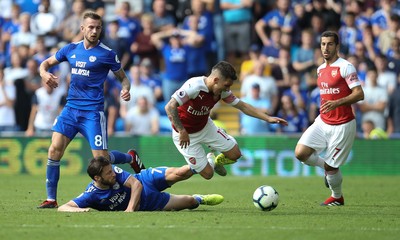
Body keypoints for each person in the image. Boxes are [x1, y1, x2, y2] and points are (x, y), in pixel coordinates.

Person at [37, 11, 144, 209]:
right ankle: (51, 199)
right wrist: (44, 74)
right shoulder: (70, 49)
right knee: (54, 150)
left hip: (92, 113)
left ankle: (130, 158)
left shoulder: (108, 54)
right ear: (83, 28)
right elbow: (45, 63)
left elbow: (124, 78)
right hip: (70, 109)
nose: (94, 31)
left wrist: (126, 90)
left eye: (98, 28)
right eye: (91, 27)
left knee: (100, 161)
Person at [164, 61, 288, 180]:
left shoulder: (221, 91)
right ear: (216, 80)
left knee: (235, 154)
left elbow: (242, 106)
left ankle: (217, 162)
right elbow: (170, 106)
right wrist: (182, 130)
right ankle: (209, 161)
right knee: (208, 174)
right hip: (185, 135)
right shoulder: (194, 87)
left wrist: (267, 118)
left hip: (205, 127)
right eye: (226, 85)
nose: (227, 89)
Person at [294, 31, 364, 206]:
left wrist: (338, 102)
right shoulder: (320, 69)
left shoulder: (346, 67)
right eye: (323, 44)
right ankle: (325, 168)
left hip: (343, 125)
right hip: (323, 121)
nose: (326, 47)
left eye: (330, 44)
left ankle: (337, 196)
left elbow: (359, 94)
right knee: (300, 153)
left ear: (337, 46)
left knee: (332, 168)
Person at [57, 156, 224, 212]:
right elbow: (62, 207)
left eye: (111, 169)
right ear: (97, 178)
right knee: (189, 202)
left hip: (145, 179)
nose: (113, 173)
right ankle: (200, 198)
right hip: (148, 203)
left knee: (180, 173)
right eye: (108, 173)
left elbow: (136, 184)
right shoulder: (92, 194)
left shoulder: (114, 171)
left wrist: (129, 209)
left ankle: (207, 163)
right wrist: (81, 210)